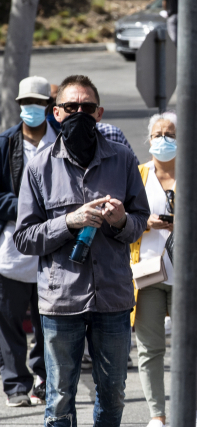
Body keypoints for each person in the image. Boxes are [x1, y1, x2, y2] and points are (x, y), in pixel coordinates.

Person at [13, 74, 150, 426]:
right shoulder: (39, 166)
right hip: (62, 302)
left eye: (86, 108)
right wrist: (70, 221)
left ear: (99, 113)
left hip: (114, 298)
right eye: (70, 107)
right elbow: (25, 238)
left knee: (114, 394)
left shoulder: (122, 159)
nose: (78, 113)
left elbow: (140, 222)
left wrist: (121, 221)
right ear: (55, 113)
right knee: (59, 398)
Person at [130, 112, 197, 427]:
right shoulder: (136, 176)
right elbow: (121, 223)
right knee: (149, 348)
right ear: (149, 140)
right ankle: (157, 416)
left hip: (186, 276)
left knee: (191, 346)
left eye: (170, 134)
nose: (163, 140)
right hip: (147, 273)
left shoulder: (195, 177)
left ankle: (192, 411)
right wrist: (143, 222)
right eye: (158, 134)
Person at [0, 76, 56, 407]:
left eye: (38, 103)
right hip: (11, 251)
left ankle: (45, 379)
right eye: (25, 104)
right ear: (18, 106)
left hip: (52, 250)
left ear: (49, 106)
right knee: (8, 322)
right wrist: (25, 208)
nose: (31, 109)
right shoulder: (5, 144)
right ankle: (15, 385)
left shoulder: (63, 141)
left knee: (49, 322)